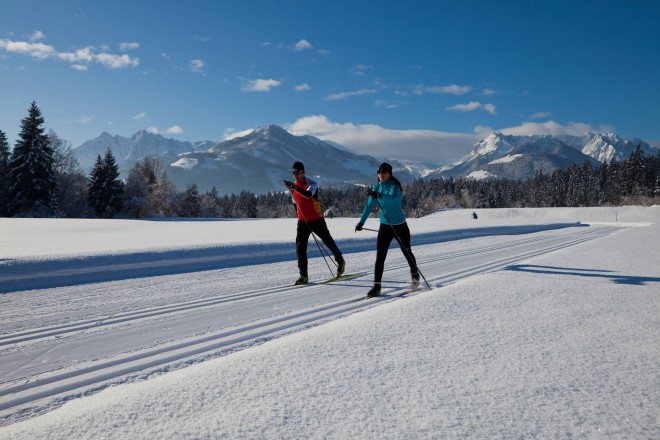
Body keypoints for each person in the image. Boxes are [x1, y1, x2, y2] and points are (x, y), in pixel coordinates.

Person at [355, 162, 419, 297]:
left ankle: (414, 274)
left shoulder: (394, 187)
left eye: (383, 172)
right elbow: (368, 206)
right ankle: (376, 286)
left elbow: (393, 199)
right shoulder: (377, 187)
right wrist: (361, 222)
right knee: (380, 257)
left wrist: (378, 195)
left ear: (389, 173)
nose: (381, 175)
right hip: (385, 226)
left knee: (407, 252)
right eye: (379, 172)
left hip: (400, 226)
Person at [284, 161, 345, 285]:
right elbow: (296, 204)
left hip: (316, 220)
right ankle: (303, 275)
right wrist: (299, 216)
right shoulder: (294, 187)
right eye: (293, 173)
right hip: (303, 222)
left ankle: (340, 261)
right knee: (300, 249)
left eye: (297, 173)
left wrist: (294, 187)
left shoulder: (312, 183)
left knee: (328, 241)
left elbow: (307, 195)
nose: (295, 175)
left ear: (303, 172)